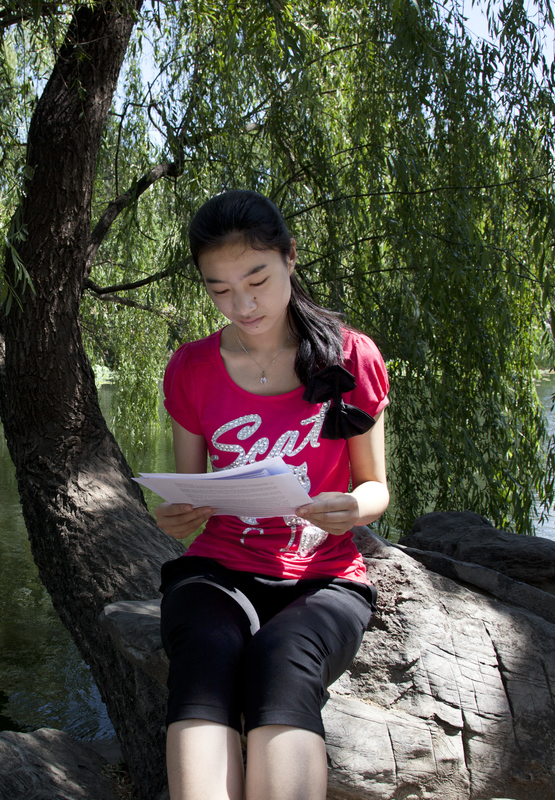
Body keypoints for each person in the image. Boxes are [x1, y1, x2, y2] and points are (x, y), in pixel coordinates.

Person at [153, 189, 389, 800]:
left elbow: (375, 487)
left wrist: (353, 508)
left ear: (289, 257)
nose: (243, 303)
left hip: (324, 576)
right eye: (220, 289)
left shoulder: (348, 356)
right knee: (202, 657)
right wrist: (175, 516)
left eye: (256, 278)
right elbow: (190, 490)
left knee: (282, 668)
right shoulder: (191, 367)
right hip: (217, 570)